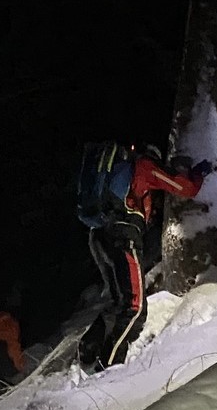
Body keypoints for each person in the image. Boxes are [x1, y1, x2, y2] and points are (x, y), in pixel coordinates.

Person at [76, 142, 208, 371]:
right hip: (123, 235)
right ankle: (108, 368)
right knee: (135, 308)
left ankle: (88, 349)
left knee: (119, 300)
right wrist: (198, 174)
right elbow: (184, 187)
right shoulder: (144, 167)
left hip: (98, 236)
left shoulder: (115, 178)